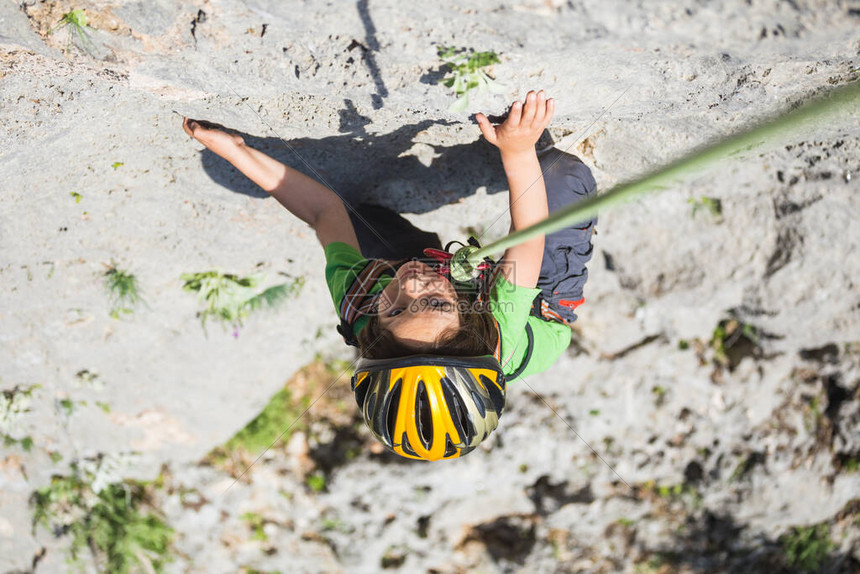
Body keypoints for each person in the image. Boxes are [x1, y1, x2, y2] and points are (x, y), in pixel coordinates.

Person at [182, 90, 596, 461]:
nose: (414, 284)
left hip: (441, 288)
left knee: (361, 224)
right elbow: (527, 239)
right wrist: (518, 151)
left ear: (373, 333)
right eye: (432, 303)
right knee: (560, 175)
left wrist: (237, 152)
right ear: (472, 320)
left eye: (396, 310)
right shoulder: (498, 325)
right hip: (541, 306)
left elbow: (322, 212)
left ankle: (414, 258)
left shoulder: (361, 302)